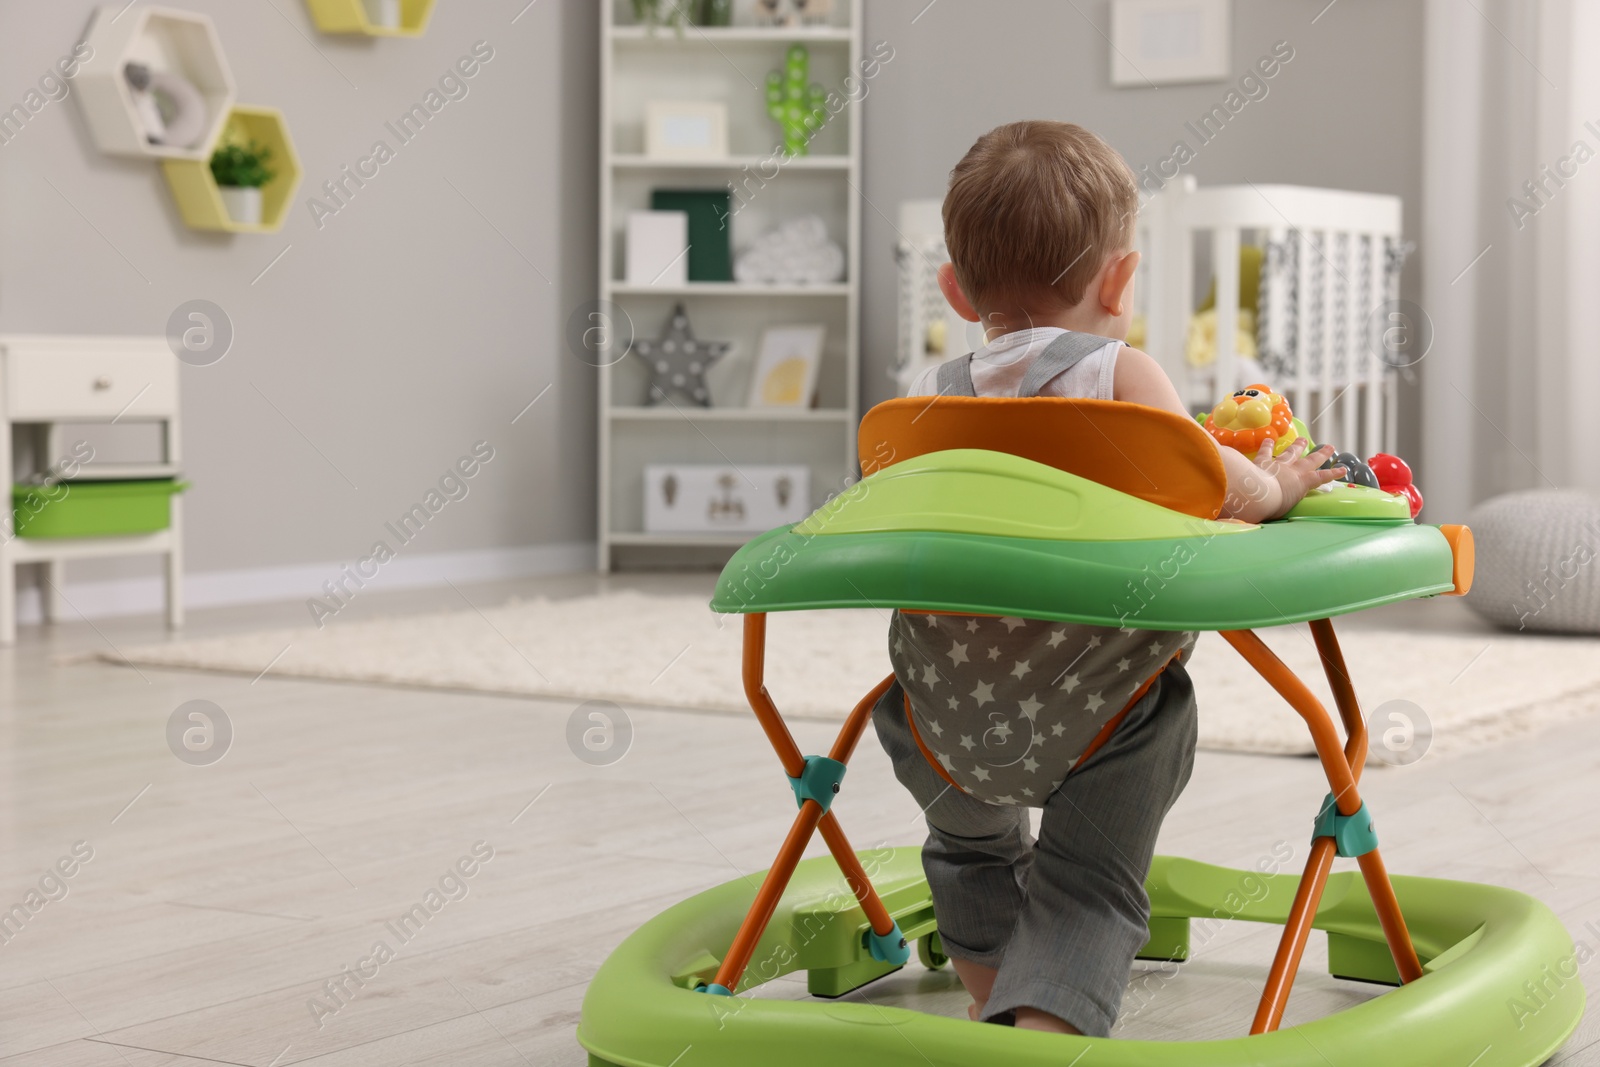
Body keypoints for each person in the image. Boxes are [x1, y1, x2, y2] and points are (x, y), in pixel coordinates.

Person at [872, 120, 1342, 1037]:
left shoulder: (927, 404)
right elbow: (1224, 490)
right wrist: (1280, 485)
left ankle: (988, 997)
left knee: (967, 849)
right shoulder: (1122, 379)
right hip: (1099, 721)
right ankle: (1045, 1032)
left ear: (955, 293)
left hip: (937, 721)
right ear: (1122, 281)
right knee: (1091, 870)